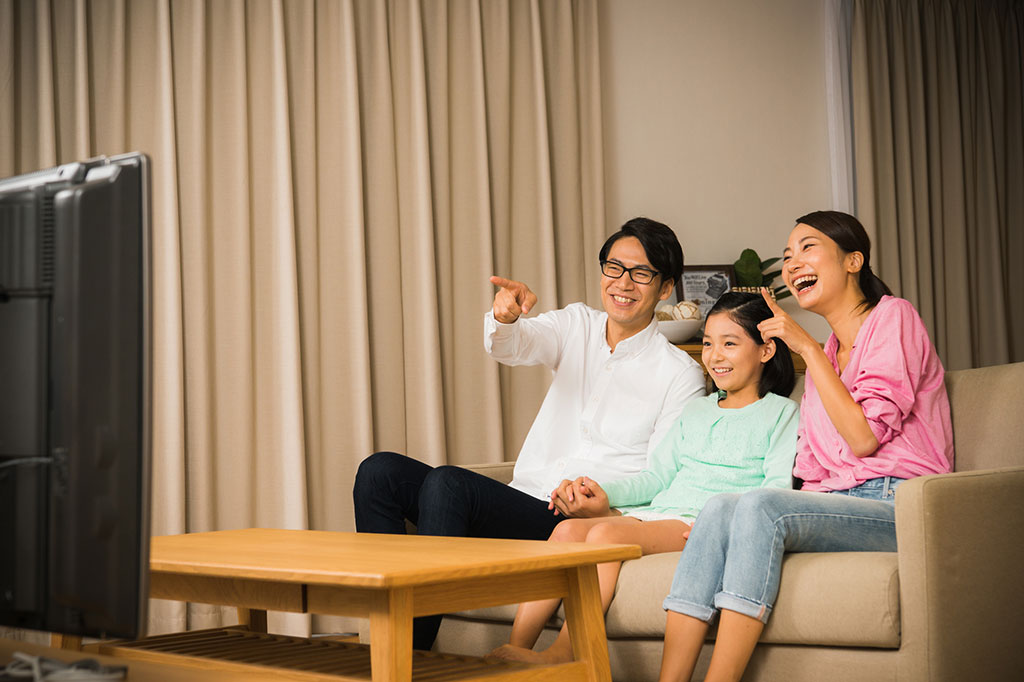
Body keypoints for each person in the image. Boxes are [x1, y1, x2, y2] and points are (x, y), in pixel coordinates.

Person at [352, 217, 707, 650]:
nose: (623, 283)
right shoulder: (577, 324)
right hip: (521, 502)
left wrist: (605, 503)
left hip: (571, 522)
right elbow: (513, 345)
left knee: (449, 483)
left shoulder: (680, 374)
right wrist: (506, 319)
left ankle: (408, 660)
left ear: (665, 287)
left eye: (641, 273)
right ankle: (386, 640)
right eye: (614, 267)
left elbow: (663, 474)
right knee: (379, 472)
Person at [657, 211, 954, 682]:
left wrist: (808, 351)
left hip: (899, 506)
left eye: (807, 248)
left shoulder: (892, 317)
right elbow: (814, 469)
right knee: (720, 509)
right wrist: (818, 354)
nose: (793, 263)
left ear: (853, 260)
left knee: (759, 506)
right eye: (788, 254)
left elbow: (864, 438)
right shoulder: (830, 351)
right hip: (839, 505)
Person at [486, 292, 800, 665]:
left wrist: (729, 526)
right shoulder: (697, 411)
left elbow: (775, 490)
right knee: (567, 530)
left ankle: (564, 655)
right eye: (708, 344)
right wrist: (603, 491)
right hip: (659, 511)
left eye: (729, 344)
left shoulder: (782, 413)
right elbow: (657, 477)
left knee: (605, 535)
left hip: (697, 523)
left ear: (766, 350)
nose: (715, 356)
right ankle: (517, 650)